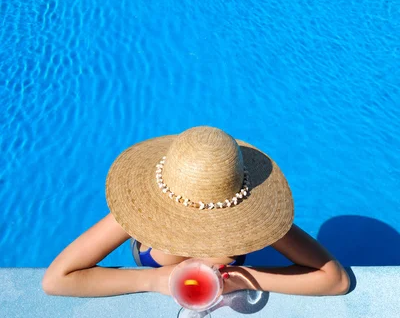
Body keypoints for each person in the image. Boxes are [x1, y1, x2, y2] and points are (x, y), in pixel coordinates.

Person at [42, 126, 350, 297]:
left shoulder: (252, 221)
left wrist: (244, 278)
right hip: (153, 257)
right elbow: (57, 279)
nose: (199, 232)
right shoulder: (142, 213)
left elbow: (335, 280)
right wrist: (151, 280)